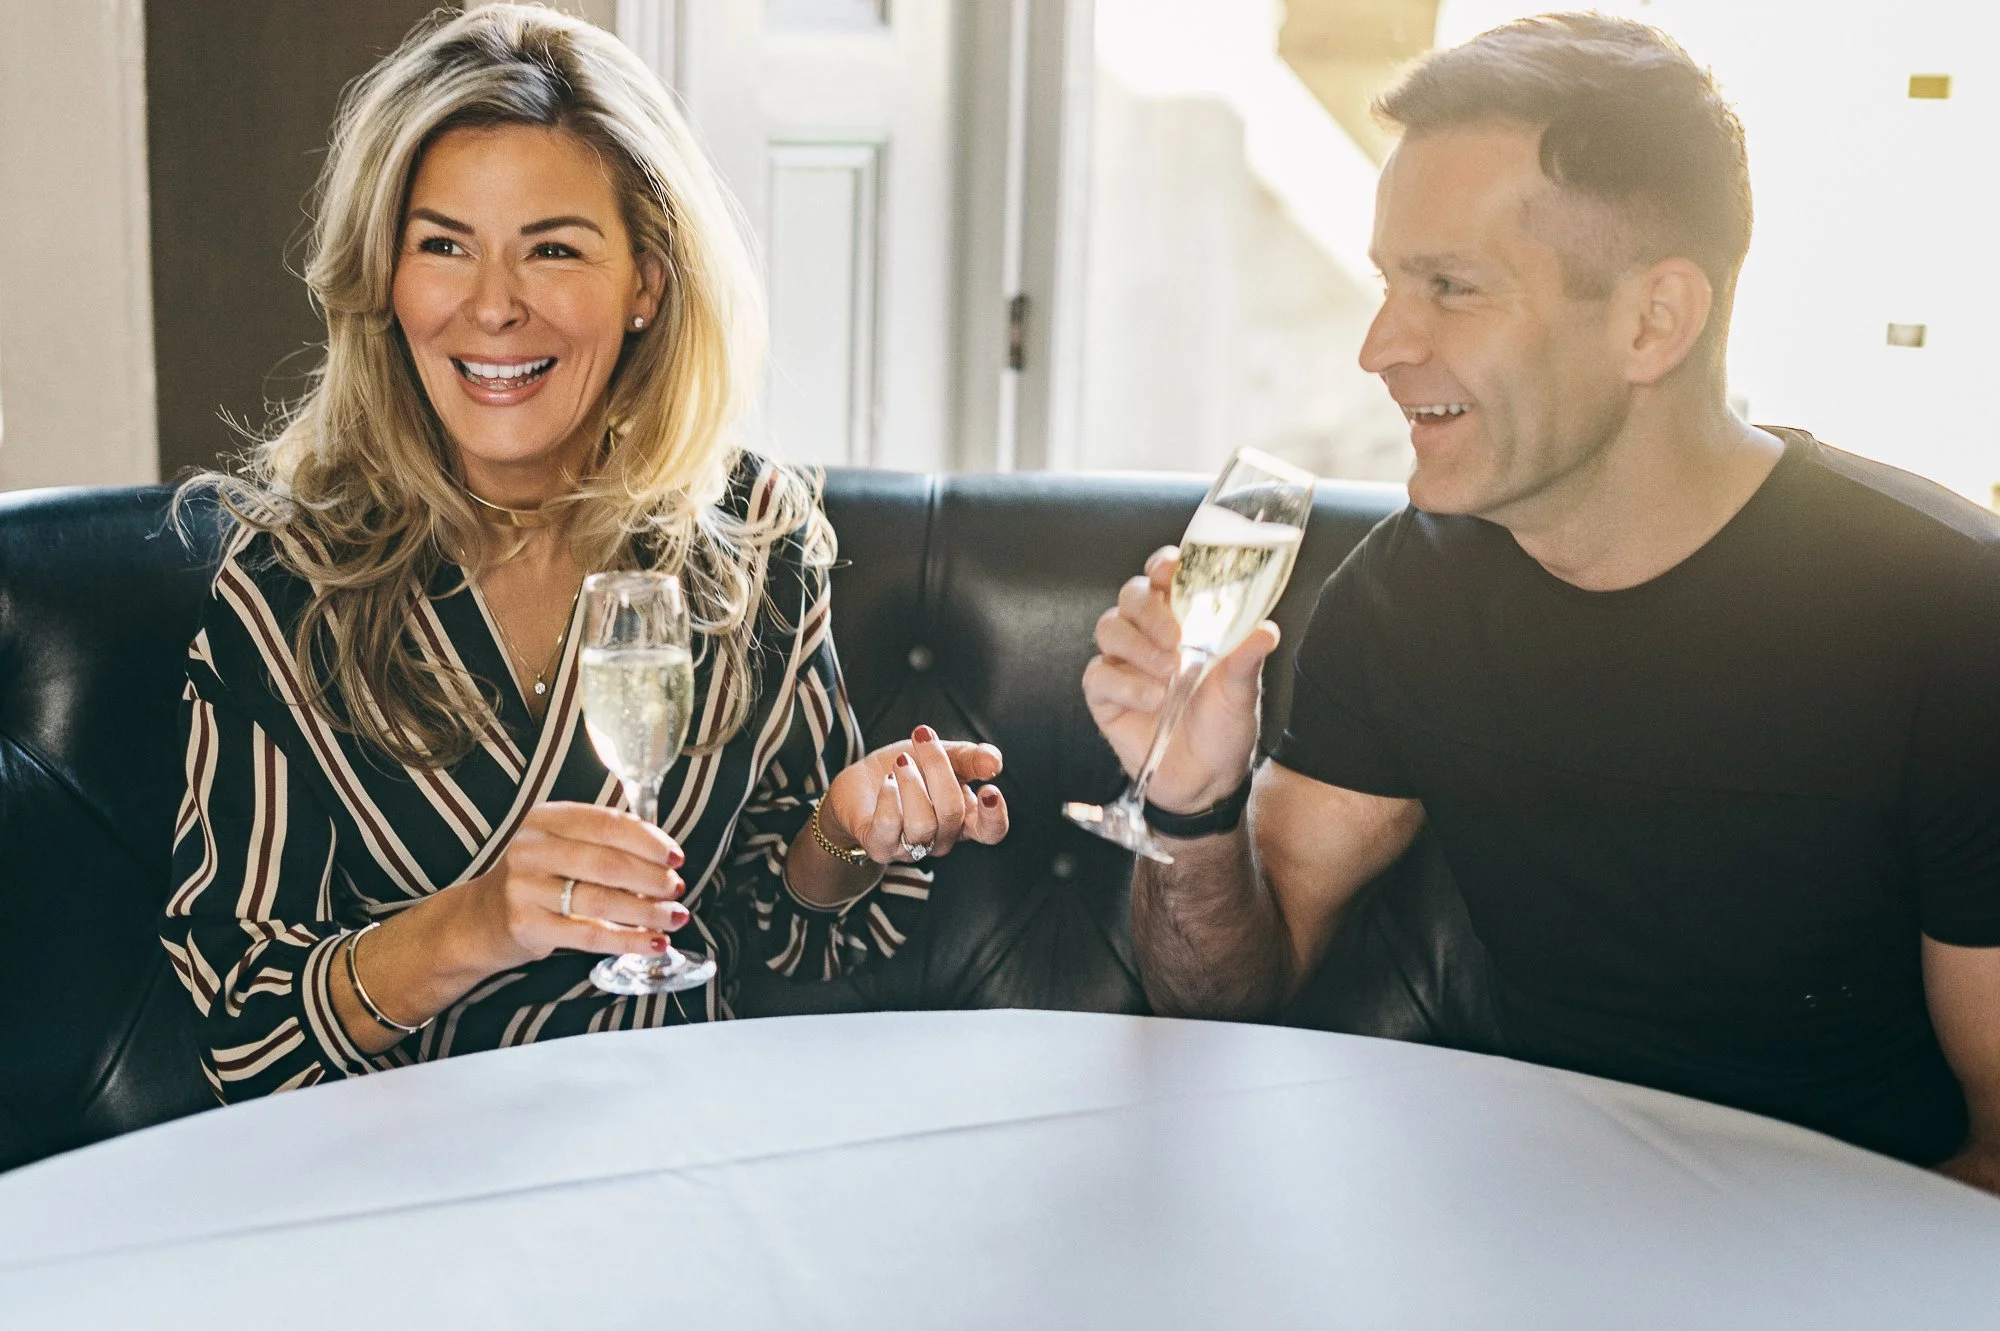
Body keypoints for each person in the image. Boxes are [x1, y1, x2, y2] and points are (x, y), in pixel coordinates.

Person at [1084, 14, 2000, 1192]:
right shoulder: (1411, 587)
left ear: (1652, 321)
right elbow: (1224, 988)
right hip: (1527, 1222)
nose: (1377, 344)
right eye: (1386, 282)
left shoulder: (1949, 615)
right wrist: (1191, 801)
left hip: (1859, 1248)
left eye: (1448, 287)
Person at [163, 3, 1008, 1102]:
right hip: (406, 1186)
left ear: (646, 281)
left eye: (552, 249)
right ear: (385, 278)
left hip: (678, 1144)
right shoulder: (291, 578)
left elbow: (786, 928)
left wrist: (846, 830)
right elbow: (240, 1024)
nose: (493, 306)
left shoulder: (751, 535)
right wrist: (477, 921)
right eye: (443, 246)